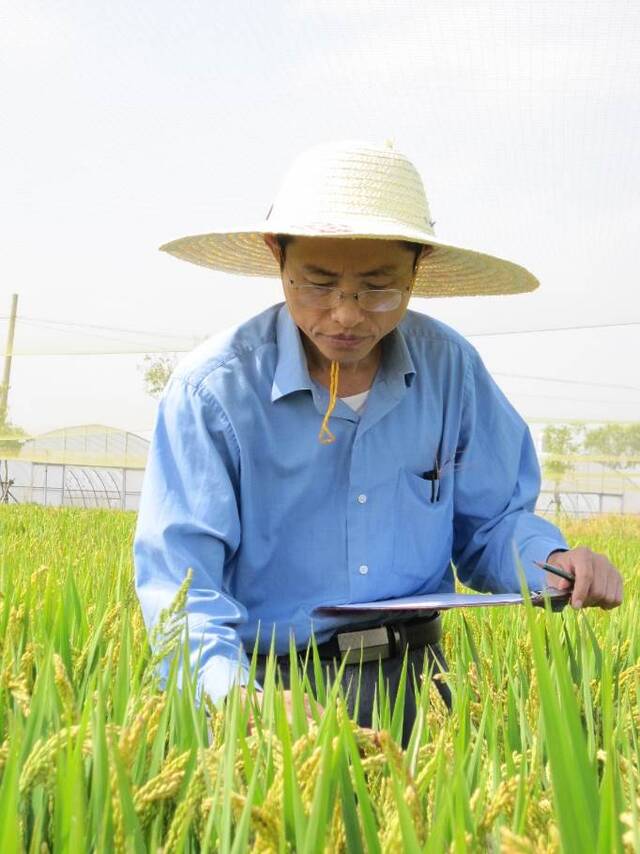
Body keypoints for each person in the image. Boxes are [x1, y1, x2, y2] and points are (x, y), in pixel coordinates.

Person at [133, 139, 623, 746]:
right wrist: (235, 699)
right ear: (275, 257)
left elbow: (492, 524)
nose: (345, 316)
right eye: (316, 284)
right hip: (270, 692)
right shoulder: (213, 393)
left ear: (416, 271)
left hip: (422, 681)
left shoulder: (451, 371)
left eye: (377, 288)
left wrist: (551, 565)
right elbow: (180, 587)